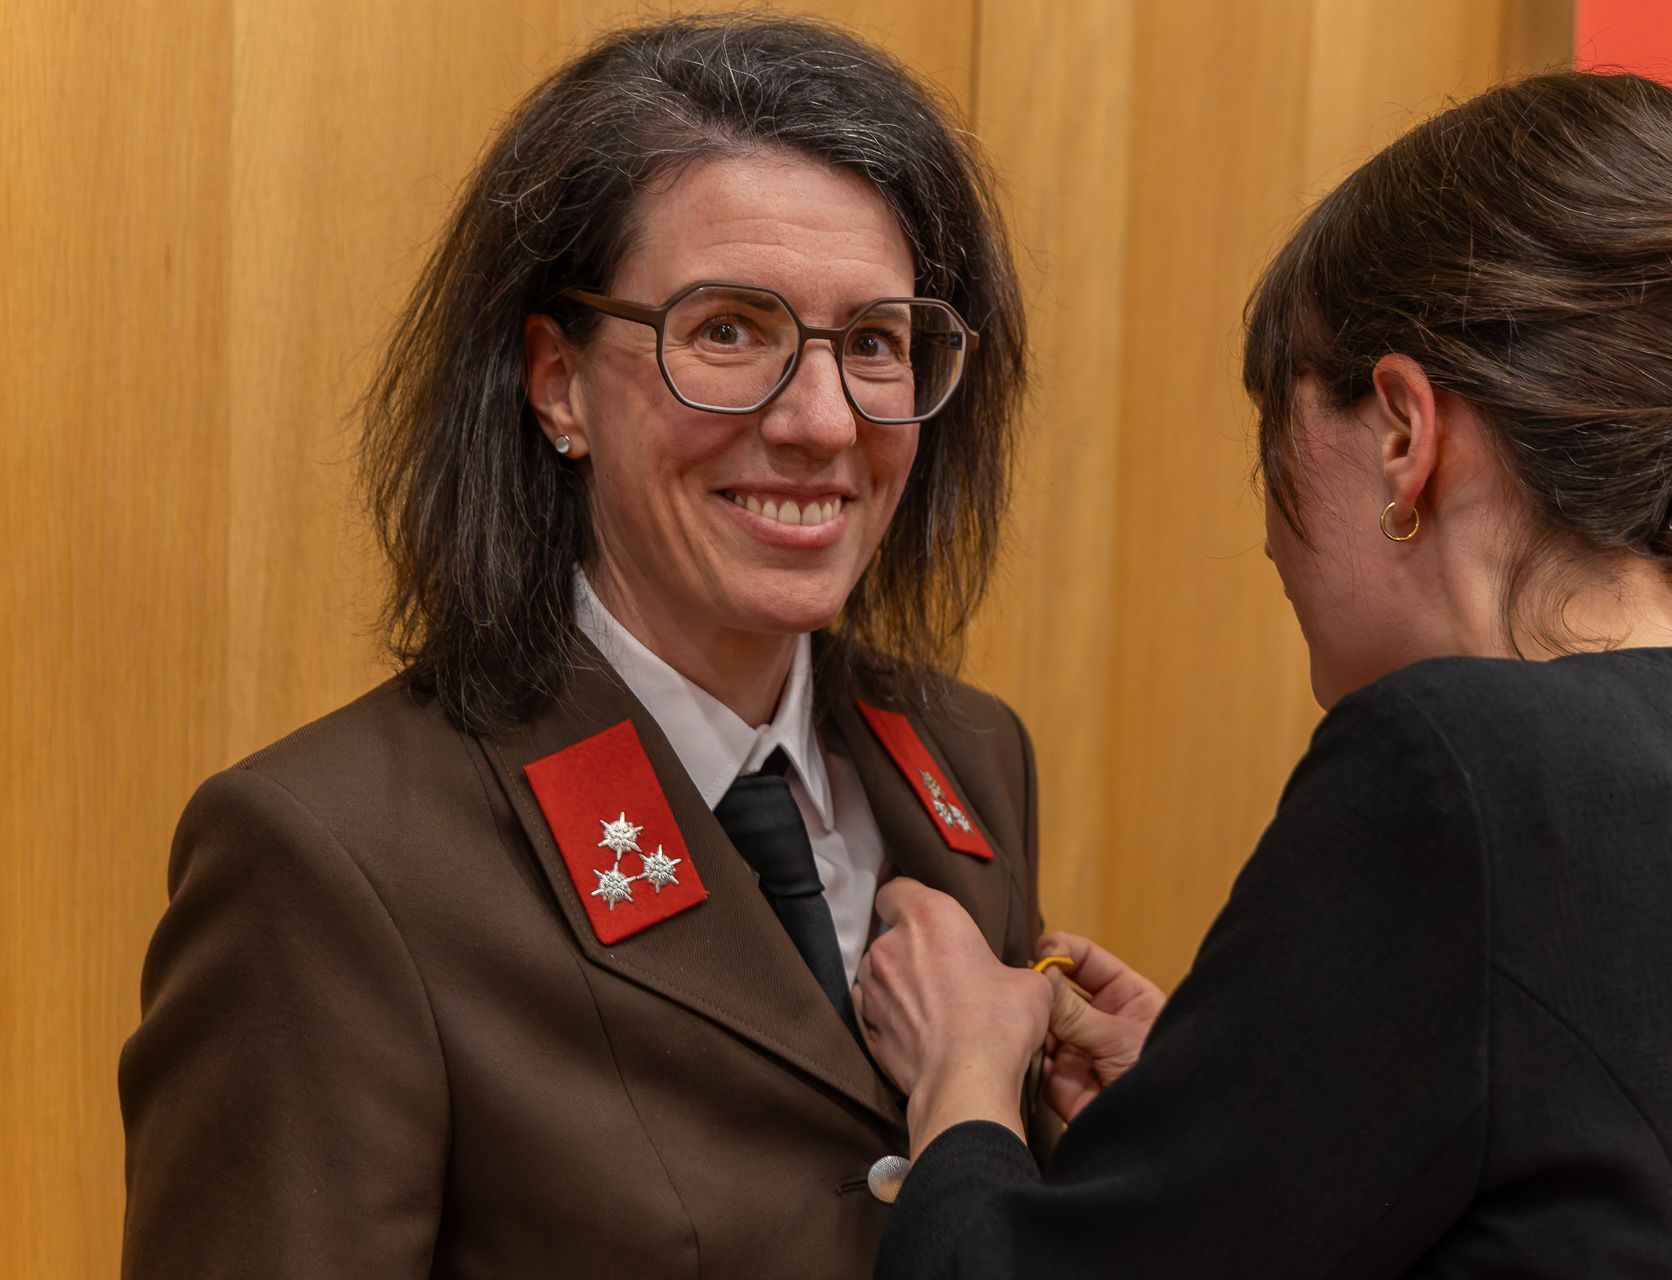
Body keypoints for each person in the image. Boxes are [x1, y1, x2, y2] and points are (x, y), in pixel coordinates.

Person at [853, 70, 1672, 1277]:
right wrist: (1225, 1113)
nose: (1266, 533)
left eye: (1278, 430)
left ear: (1405, 432)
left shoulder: (1461, 765)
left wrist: (964, 1089)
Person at [119, 15, 1039, 1279]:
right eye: (730, 331)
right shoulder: (332, 860)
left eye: (874, 342)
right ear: (558, 379)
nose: (826, 422)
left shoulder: (969, 757)